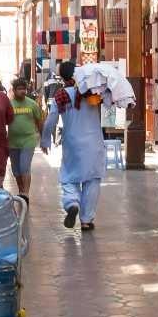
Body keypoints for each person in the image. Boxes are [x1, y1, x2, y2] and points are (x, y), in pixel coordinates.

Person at [40, 61, 106, 232]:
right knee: (92, 180)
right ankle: (86, 220)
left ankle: (72, 203)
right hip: (94, 143)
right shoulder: (92, 92)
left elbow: (51, 120)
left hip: (72, 143)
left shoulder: (61, 95)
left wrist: (45, 140)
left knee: (69, 176)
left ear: (62, 77)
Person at [7, 78, 44, 205]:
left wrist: (43, 138)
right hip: (12, 142)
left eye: (24, 89)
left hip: (28, 140)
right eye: (19, 89)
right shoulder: (9, 105)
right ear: (14, 90)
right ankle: (21, 191)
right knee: (16, 170)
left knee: (24, 167)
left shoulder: (32, 104)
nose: (22, 91)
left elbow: (39, 121)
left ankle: (25, 194)